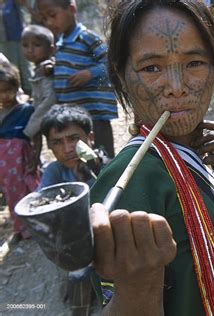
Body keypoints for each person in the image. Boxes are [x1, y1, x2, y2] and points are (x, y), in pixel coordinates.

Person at [88, 1, 214, 315]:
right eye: (152, 68)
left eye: (194, 63)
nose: (176, 87)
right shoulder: (131, 182)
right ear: (121, 76)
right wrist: (137, 285)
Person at [39, 104, 107, 316]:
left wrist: (94, 167)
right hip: (74, 242)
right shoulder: (54, 172)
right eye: (57, 142)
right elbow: (43, 203)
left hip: (105, 236)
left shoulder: (103, 165)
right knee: (78, 279)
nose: (67, 148)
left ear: (90, 138)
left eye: (74, 139)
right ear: (50, 147)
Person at [36, 0, 119, 158]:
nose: (49, 22)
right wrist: (53, 68)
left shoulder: (87, 37)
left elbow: (111, 62)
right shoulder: (60, 42)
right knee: (80, 157)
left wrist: (90, 73)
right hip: (74, 117)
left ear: (72, 9)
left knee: (102, 155)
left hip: (95, 114)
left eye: (52, 15)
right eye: (44, 18)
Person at [0, 61, 40, 241]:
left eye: (7, 90)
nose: (4, 96)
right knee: (11, 194)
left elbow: (36, 135)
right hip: (4, 164)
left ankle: (36, 226)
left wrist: (36, 157)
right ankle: (19, 228)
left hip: (22, 159)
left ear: (16, 87)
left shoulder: (26, 110)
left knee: (29, 190)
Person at [20, 24, 56, 167]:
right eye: (25, 45)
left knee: (31, 130)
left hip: (46, 108)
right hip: (40, 106)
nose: (30, 50)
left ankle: (35, 161)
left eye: (36, 45)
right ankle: (37, 161)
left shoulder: (46, 66)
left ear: (51, 49)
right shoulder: (37, 67)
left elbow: (50, 96)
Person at [0, 0, 34, 95]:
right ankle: (15, 91)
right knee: (10, 65)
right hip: (4, 39)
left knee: (25, 64)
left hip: (21, 35)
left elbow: (24, 3)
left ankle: (30, 89)